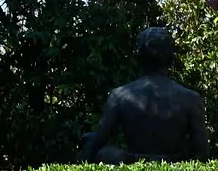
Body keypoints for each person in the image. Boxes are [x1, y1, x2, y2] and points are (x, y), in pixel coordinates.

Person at [81, 27, 210, 163]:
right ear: (171, 58)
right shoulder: (191, 98)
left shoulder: (119, 96)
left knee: (92, 144)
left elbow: (97, 143)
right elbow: (202, 154)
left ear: (139, 58)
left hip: (133, 167)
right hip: (173, 169)